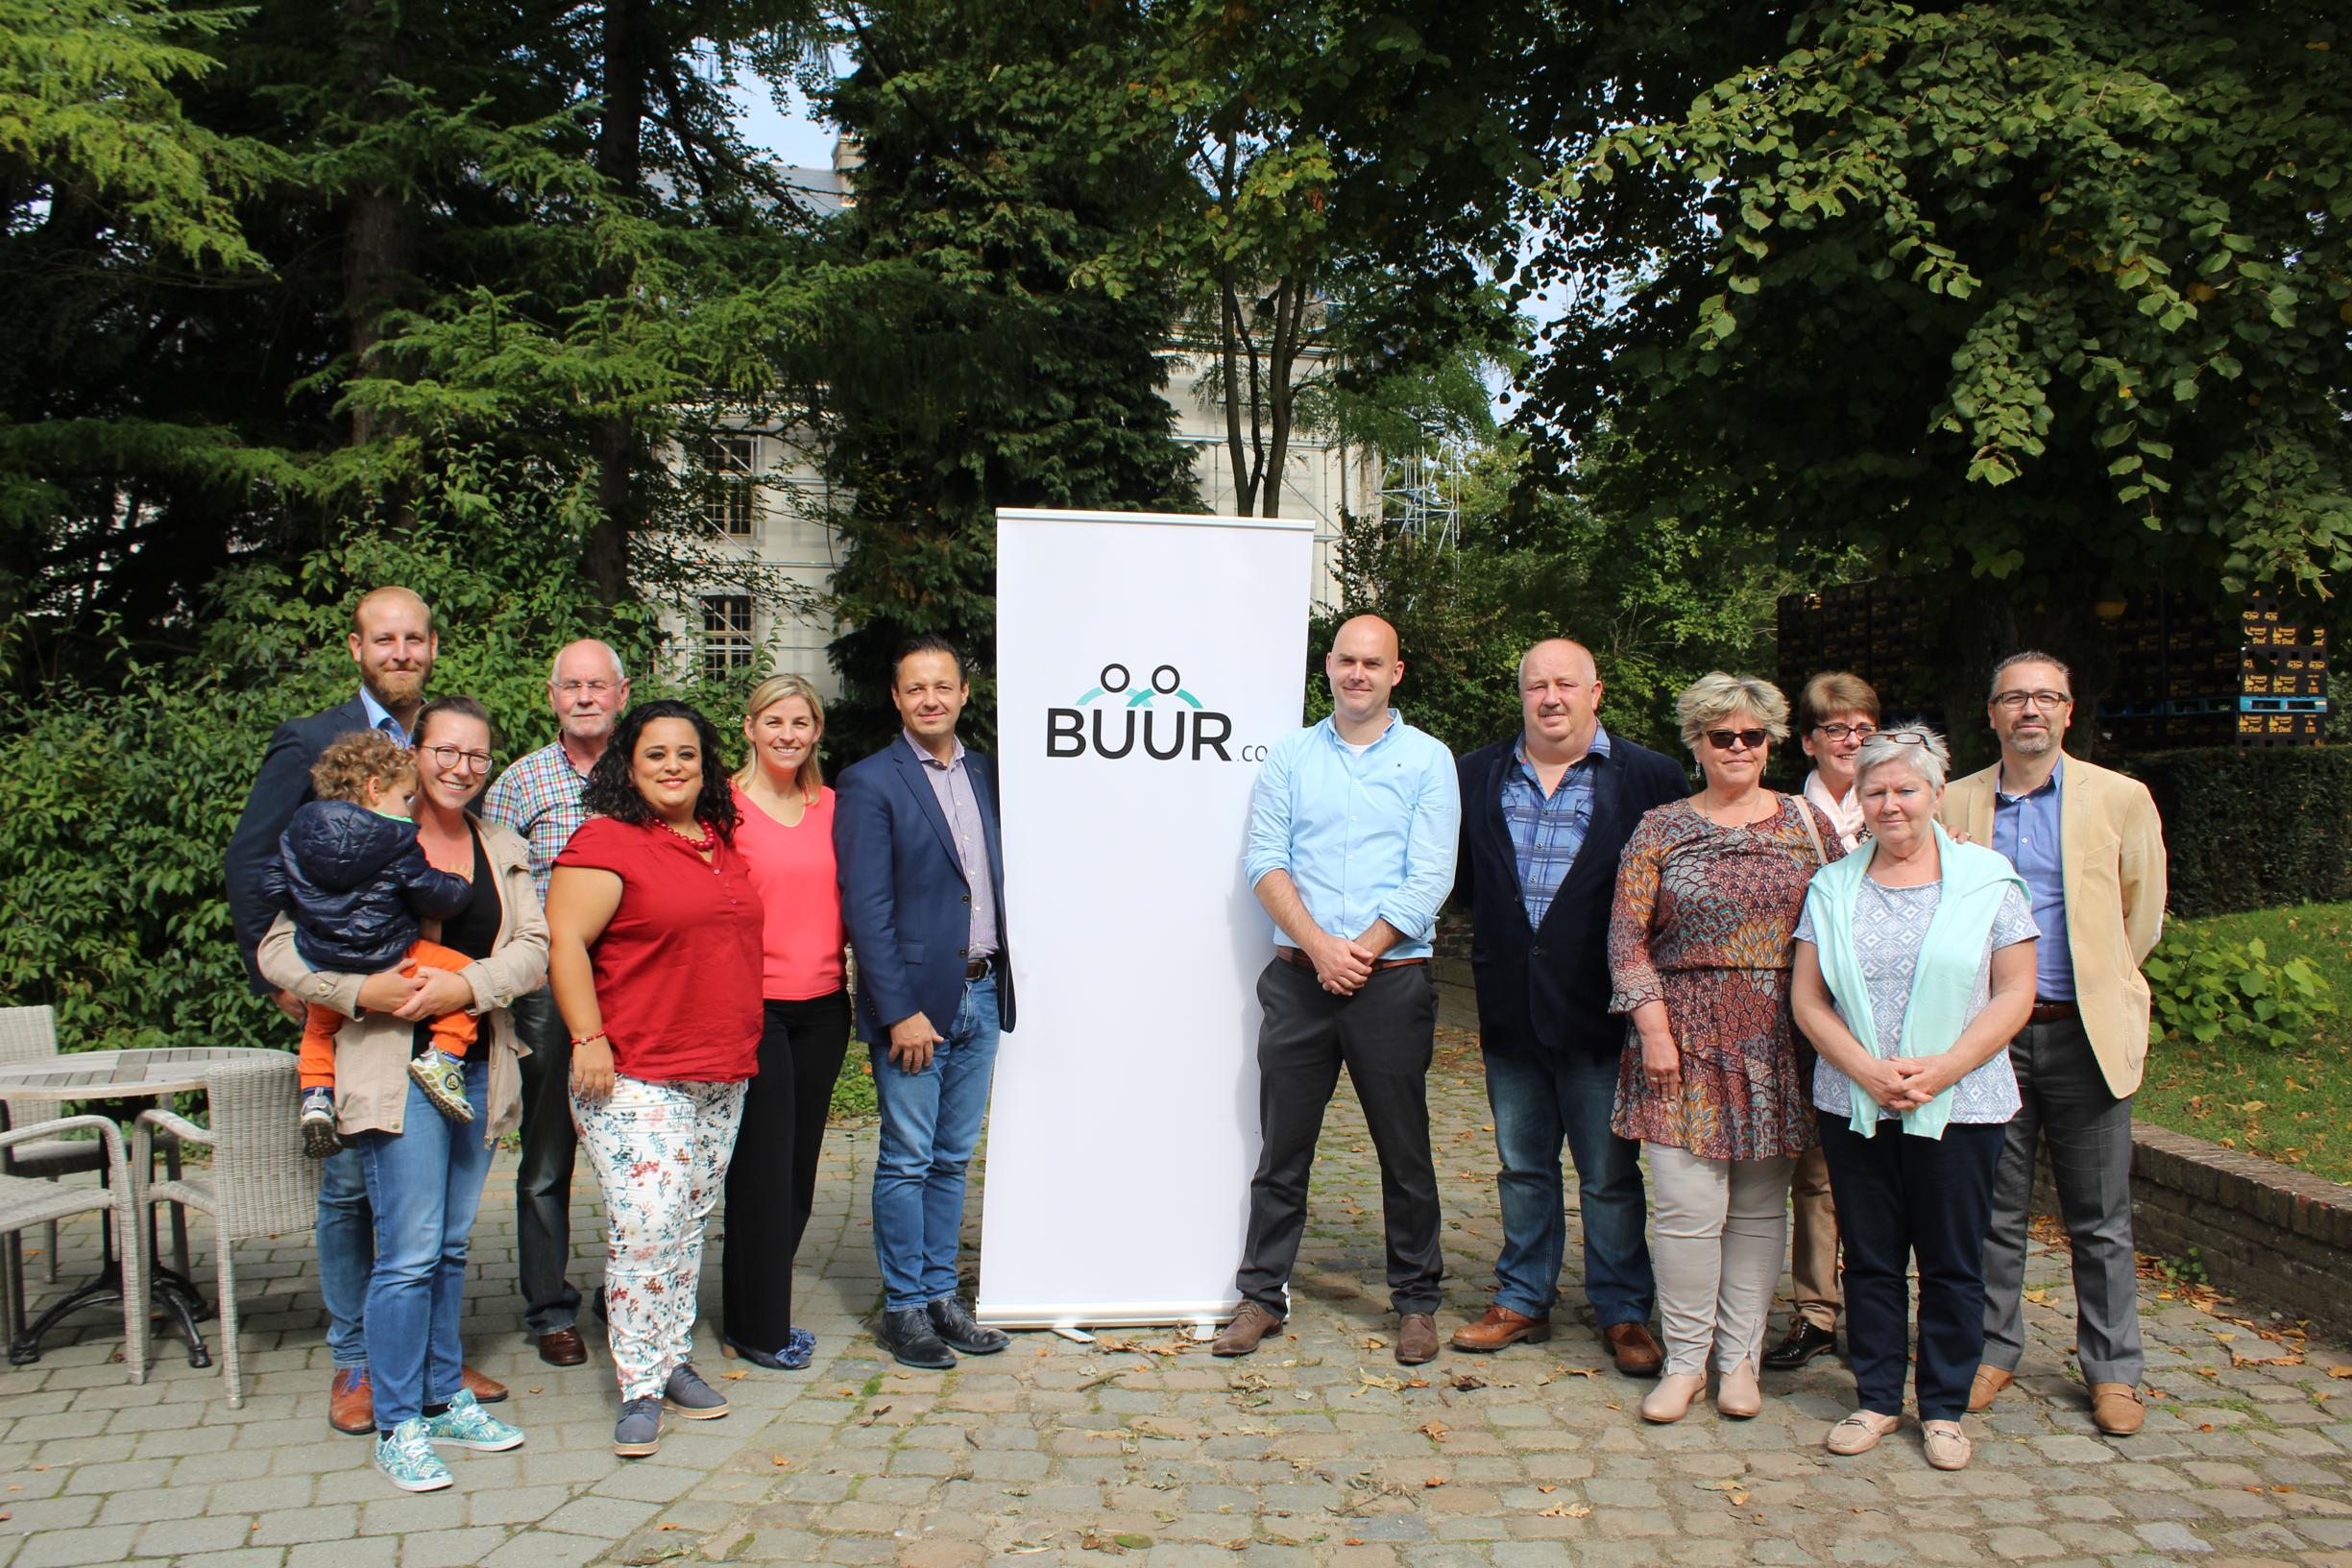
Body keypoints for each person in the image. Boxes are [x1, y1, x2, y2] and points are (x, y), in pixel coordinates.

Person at [223, 586, 505, 1434]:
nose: (402, 652)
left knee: (411, 1200)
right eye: (385, 639)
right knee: (349, 1189)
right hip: (346, 1006)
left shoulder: (441, 754)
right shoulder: (311, 742)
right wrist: (295, 988)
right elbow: (250, 862)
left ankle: (424, 1359)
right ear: (356, 647)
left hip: (420, 995)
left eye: (415, 638)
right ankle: (355, 1363)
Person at [257, 696, 545, 1493]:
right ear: (414, 751)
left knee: (450, 1246)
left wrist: (463, 986)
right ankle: (397, 1423)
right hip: (392, 1069)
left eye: (478, 756)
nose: (461, 767)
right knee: (410, 1251)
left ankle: (440, 1390)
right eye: (446, 750)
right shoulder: (357, 832)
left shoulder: (501, 845)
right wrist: (360, 992)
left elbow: (532, 950)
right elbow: (279, 948)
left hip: (477, 1062)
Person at [1214, 615, 1461, 1366]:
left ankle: (1415, 1301)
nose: (1358, 673)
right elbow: (1265, 859)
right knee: (1281, 1151)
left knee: (1404, 1154)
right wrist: (1321, 947)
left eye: (1372, 662)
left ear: (1396, 672)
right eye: (1346, 661)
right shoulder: (1290, 755)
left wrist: (1361, 950)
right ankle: (1261, 1295)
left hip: (1390, 983)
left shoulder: (1428, 759)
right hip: (1299, 982)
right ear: (1328, 666)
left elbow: (1431, 876)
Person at [1791, 727, 2037, 1471]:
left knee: (1952, 1261)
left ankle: (1942, 1408)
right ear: (1858, 800)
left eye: (1905, 789)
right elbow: (1807, 998)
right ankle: (1872, 1396)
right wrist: (1867, 1071)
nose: (1890, 803)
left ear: (1935, 793)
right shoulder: (1831, 886)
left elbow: (2014, 990)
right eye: (1875, 790)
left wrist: (1942, 1069)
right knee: (1867, 1258)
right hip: (1855, 1097)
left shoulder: (1988, 877)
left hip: (1961, 1101)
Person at [1941, 651, 2168, 1436]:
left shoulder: (2119, 797)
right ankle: (1990, 1350)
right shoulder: (1954, 801)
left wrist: (2096, 984)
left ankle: (2112, 1371)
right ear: (1992, 712)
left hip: (2082, 1032)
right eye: (2013, 697)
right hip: (1987, 1039)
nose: (2029, 709)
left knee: (2098, 1215)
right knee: (1992, 1210)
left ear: (2069, 711)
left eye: (2045, 697)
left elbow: (2139, 916)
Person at [1608, 672, 1841, 1424]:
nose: (1737, 747)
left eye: (1752, 735)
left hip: (1779, 1036)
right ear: (1698, 744)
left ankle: (1738, 1358)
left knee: (1757, 1210)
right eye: (1721, 736)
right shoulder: (1660, 826)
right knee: (1683, 1205)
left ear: (1771, 741)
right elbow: (1625, 935)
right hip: (1681, 1036)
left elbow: (1857, 905)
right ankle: (1683, 1362)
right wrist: (1651, 1028)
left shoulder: (1809, 824)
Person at [1449, 639, 1686, 1376]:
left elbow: (1672, 898)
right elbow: (1459, 882)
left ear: (1595, 691)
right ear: (1519, 694)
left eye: (1564, 684)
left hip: (1603, 1016)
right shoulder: (1474, 773)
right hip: (1510, 1007)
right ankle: (1522, 1297)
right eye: (1535, 685)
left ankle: (1622, 1309)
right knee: (1521, 1166)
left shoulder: (1651, 777)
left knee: (1609, 1174)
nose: (1549, 697)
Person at [546, 699, 763, 1458]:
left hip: (720, 1065)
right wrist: (587, 1038)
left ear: (705, 765)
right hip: (632, 1069)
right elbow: (566, 941)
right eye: (655, 754)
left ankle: (672, 1357)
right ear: (627, 766)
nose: (673, 766)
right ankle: (638, 1384)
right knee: (644, 1226)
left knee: (686, 1220)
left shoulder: (717, 841)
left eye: (686, 754)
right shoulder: (608, 840)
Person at [835, 637, 1017, 1371]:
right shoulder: (869, 782)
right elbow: (866, 908)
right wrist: (898, 1006)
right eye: (917, 688)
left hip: (982, 986)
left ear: (964, 693)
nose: (931, 699)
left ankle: (943, 1296)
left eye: (943, 686)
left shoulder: (989, 775)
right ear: (896, 697)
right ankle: (904, 1307)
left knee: (951, 1156)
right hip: (916, 1002)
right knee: (907, 1157)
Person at [481, 638, 630, 1368]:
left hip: (633, 989)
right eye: (571, 685)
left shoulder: (644, 770)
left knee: (634, 1152)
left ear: (621, 693)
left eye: (596, 685)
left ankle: (624, 1291)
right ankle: (549, 1308)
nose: (584, 697)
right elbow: (496, 891)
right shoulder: (518, 782)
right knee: (547, 1157)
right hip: (546, 995)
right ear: (551, 696)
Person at [266, 733, 479, 1154]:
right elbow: (432, 896)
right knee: (464, 974)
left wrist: (307, 902)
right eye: (405, 797)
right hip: (387, 953)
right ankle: (445, 1057)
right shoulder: (396, 838)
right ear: (375, 788)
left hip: (320, 956)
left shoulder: (297, 832)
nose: (410, 809)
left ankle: (315, 1097)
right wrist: (459, 884)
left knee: (319, 1025)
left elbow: (271, 886)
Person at [723, 673, 852, 1370]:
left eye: (800, 722)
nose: (786, 734)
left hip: (825, 1006)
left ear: (816, 732)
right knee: (761, 1169)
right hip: (756, 1006)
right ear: (749, 727)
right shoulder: (724, 806)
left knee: (798, 1168)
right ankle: (757, 1323)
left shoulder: (833, 806)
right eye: (773, 721)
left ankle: (753, 1299)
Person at [1766, 671, 1881, 1372]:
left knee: (1886, 1172)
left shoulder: (1902, 805)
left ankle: (1881, 1310)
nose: (1851, 741)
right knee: (1813, 1172)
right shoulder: (1781, 815)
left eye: (1864, 728)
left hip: (1890, 1018)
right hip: (1806, 1014)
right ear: (1808, 740)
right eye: (1836, 728)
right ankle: (1816, 1310)